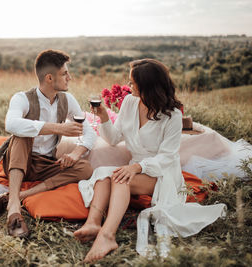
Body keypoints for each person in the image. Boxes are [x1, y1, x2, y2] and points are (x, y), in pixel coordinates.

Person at [73, 59, 226, 262]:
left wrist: (137, 167)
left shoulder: (171, 116)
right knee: (102, 174)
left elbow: (168, 156)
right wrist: (103, 118)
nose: (129, 86)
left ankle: (108, 236)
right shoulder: (129, 102)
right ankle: (93, 223)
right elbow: (113, 138)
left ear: (148, 85)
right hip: (136, 168)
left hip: (162, 173)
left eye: (133, 83)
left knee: (120, 178)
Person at [0, 49, 96, 238]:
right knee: (22, 135)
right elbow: (11, 124)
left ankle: (19, 196)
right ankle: (14, 209)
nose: (69, 78)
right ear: (49, 78)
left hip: (46, 164)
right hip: (19, 161)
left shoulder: (67, 100)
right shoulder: (22, 98)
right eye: (65, 73)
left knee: (85, 168)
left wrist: (75, 154)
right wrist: (58, 128)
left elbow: (90, 133)